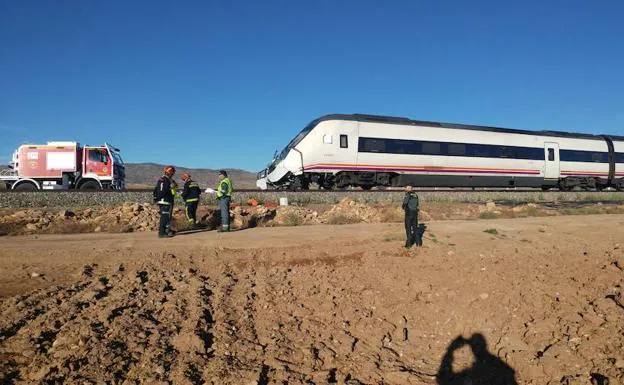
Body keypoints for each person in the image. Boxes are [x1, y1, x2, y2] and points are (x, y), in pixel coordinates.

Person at [153, 166, 176, 238]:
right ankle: (162, 233)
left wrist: (156, 198)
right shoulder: (166, 180)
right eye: (172, 173)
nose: (173, 174)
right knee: (165, 217)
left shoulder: (162, 179)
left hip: (163, 200)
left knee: (166, 216)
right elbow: (164, 190)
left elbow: (156, 189)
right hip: (165, 200)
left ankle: (166, 230)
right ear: (169, 172)